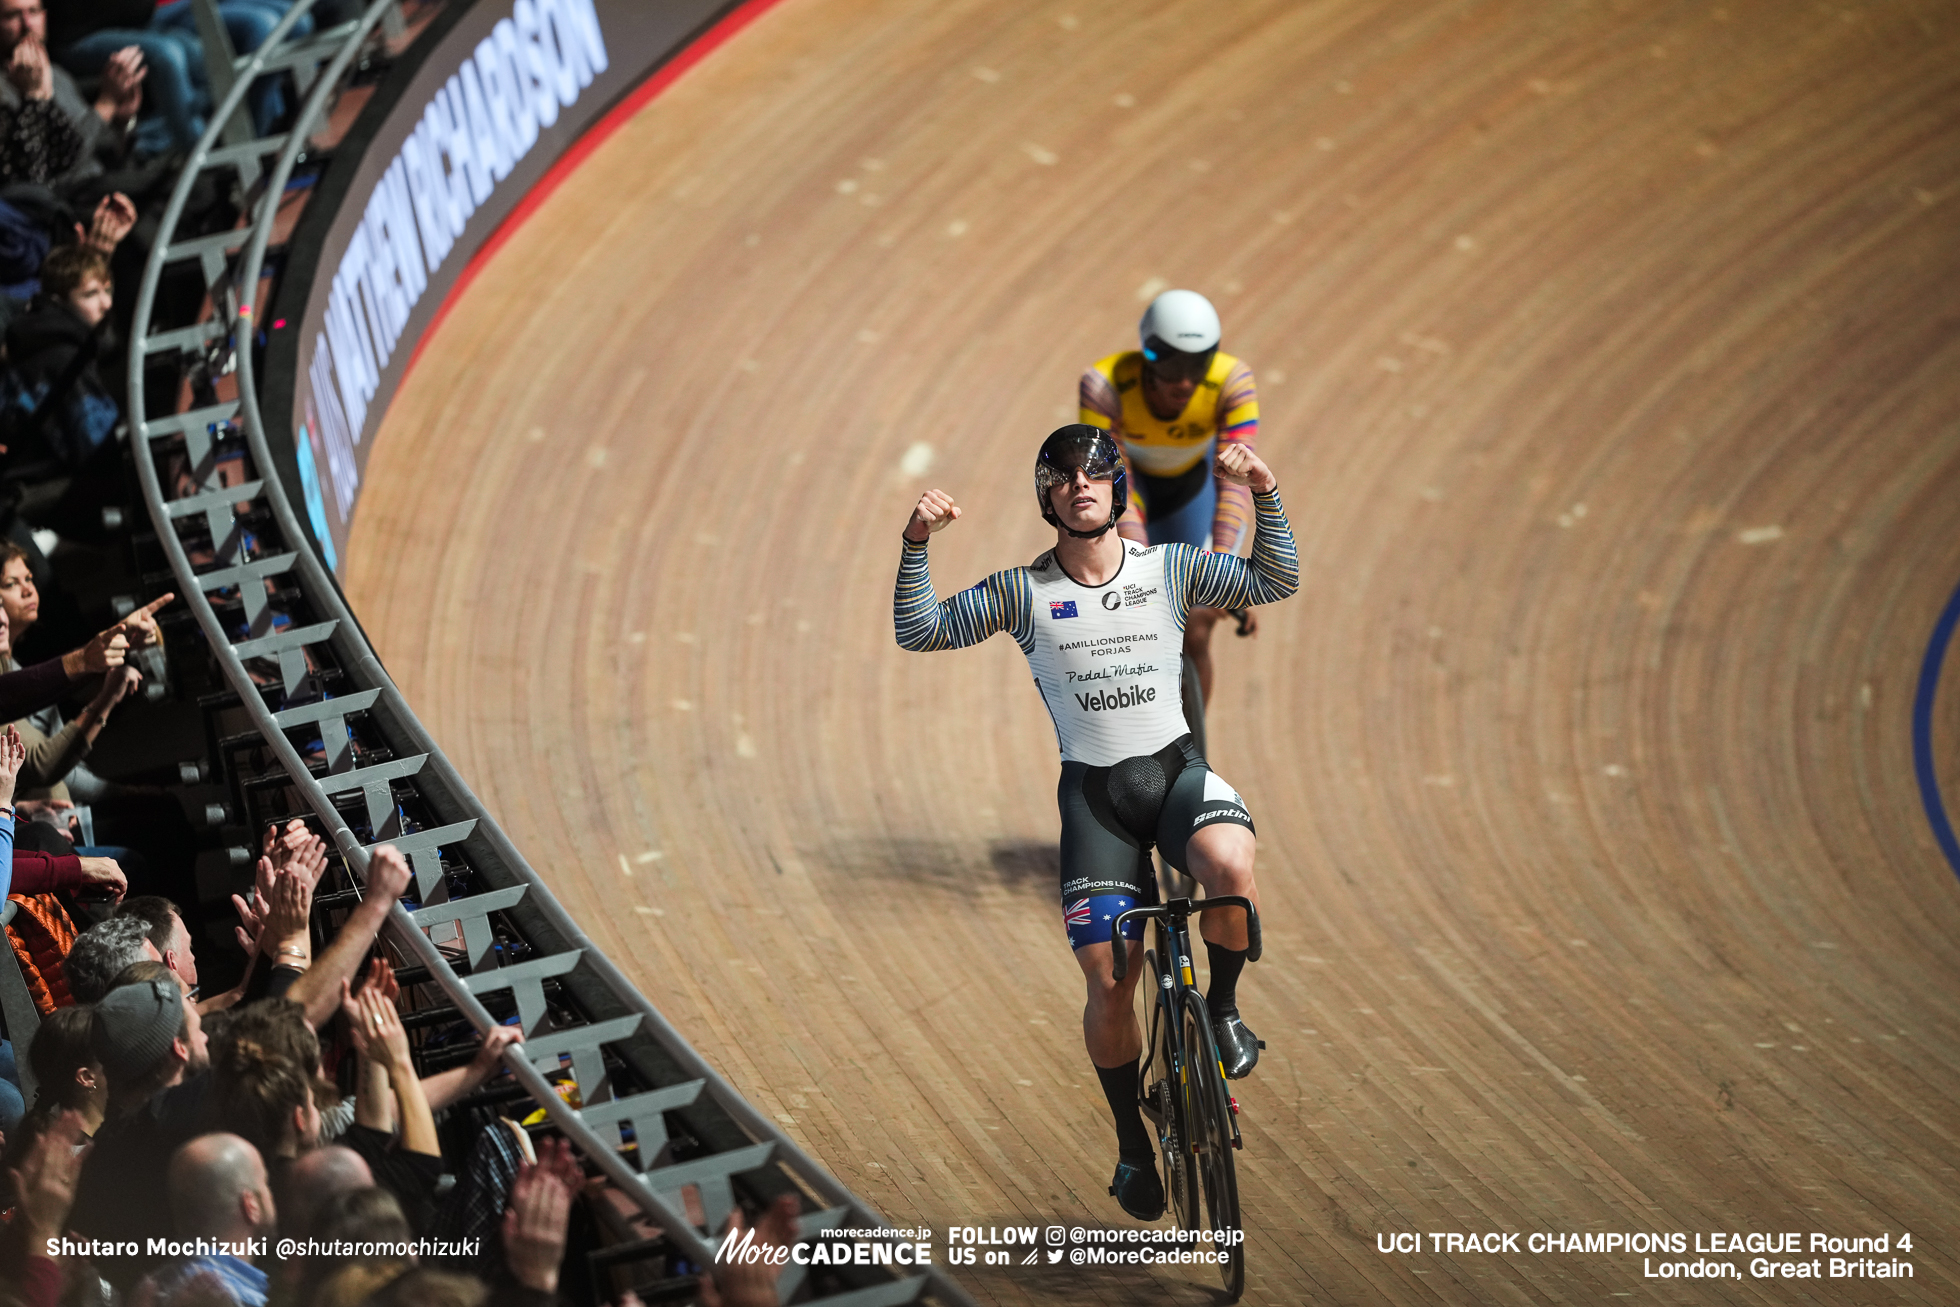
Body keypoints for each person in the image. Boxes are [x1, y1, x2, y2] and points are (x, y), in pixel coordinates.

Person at [893, 424, 1298, 1221]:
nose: (1081, 486)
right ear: (1046, 496)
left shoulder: (1170, 568)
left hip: (1175, 775)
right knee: (1111, 980)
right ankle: (1130, 1144)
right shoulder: (1023, 591)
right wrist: (916, 542)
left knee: (1229, 864)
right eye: (1064, 477)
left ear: (1118, 490)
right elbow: (921, 629)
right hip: (1095, 803)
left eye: (1095, 475)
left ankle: (1220, 1009)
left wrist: (1265, 492)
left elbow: (1274, 579)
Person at [1078, 288, 1263, 703]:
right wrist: (1139, 573)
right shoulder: (1104, 385)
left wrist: (1222, 569)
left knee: (1196, 623)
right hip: (1131, 496)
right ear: (1146, 354)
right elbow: (1113, 486)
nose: (1183, 381)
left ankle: (1193, 753)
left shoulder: (1233, 381)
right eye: (1170, 364)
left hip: (1191, 497)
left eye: (1197, 366)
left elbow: (1234, 479)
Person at [136, 1132, 278, 1307]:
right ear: (251, 1206)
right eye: (265, 1183)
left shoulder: (156, 1286)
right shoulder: (234, 1300)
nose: (270, 1194)